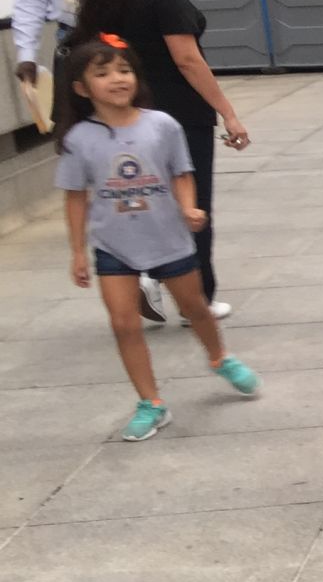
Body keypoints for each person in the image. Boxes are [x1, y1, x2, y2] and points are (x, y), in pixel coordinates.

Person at [55, 37, 261, 440]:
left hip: (168, 238)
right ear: (81, 88)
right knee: (123, 324)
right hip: (114, 246)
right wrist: (78, 251)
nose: (117, 79)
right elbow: (76, 197)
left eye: (124, 70)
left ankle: (219, 357)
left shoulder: (162, 125)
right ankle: (151, 403)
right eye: (103, 73)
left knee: (196, 309)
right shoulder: (78, 140)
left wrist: (189, 208)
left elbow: (182, 173)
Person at [70, 0, 249, 317]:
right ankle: (194, 299)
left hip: (124, 117)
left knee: (145, 200)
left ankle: (147, 276)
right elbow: (188, 60)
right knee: (192, 205)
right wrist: (228, 112)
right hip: (178, 118)